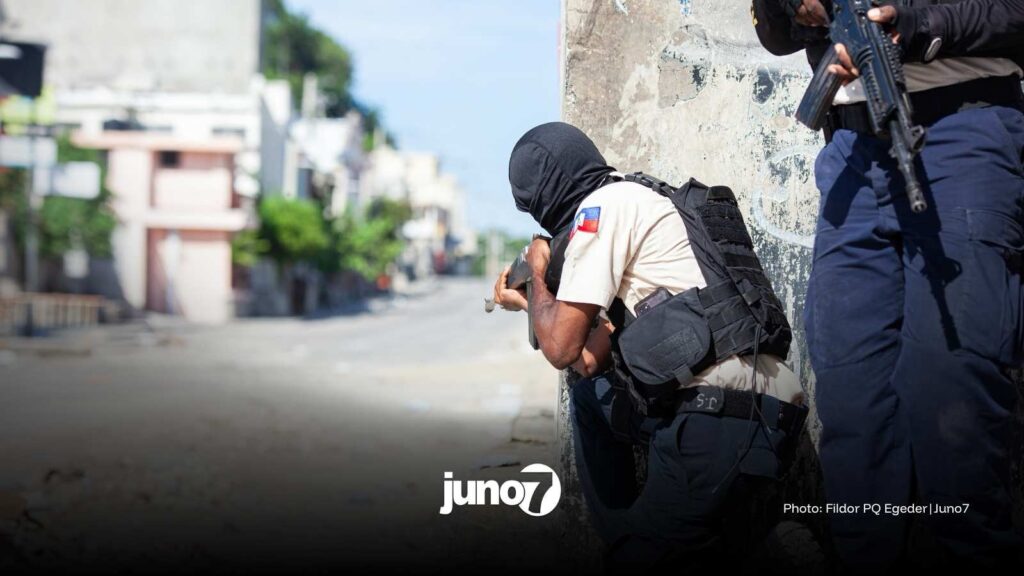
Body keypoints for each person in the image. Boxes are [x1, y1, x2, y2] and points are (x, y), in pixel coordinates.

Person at [753, 0, 1024, 571]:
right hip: (850, 151)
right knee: (853, 395)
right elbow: (774, 33)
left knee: (953, 392)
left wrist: (919, 26)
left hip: (961, 130)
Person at [492, 122, 806, 570]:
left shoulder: (599, 211)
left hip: (718, 416)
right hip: (765, 412)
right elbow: (587, 360)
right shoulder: (637, 198)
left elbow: (560, 348)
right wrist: (529, 304)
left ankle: (644, 544)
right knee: (590, 395)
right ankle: (647, 536)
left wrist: (538, 270)